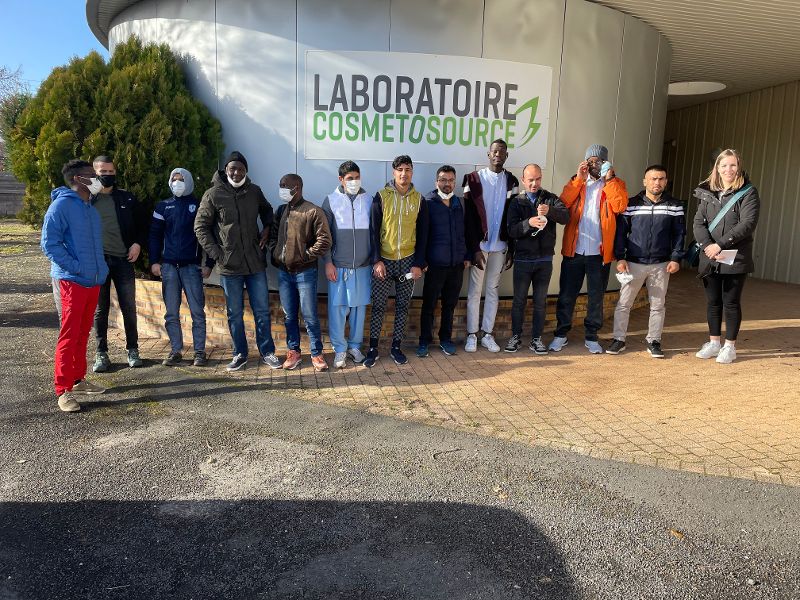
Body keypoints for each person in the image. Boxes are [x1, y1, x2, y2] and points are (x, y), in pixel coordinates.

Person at [194, 151, 281, 371]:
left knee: (262, 311)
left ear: (246, 171)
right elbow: (200, 227)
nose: (236, 172)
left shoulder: (254, 191)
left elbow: (267, 210)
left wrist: (267, 228)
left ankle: (267, 352)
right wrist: (218, 254)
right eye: (232, 168)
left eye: (241, 169)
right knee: (234, 314)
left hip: (255, 263)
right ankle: (240, 354)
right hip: (229, 266)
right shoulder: (213, 194)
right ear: (226, 170)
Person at [41, 160, 110, 412]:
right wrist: (76, 267)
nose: (97, 179)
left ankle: (78, 379)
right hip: (71, 281)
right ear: (79, 179)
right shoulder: (61, 206)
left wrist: (100, 269)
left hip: (92, 281)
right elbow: (49, 244)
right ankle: (63, 390)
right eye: (92, 175)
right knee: (69, 334)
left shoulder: (89, 208)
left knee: (82, 333)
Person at [549, 144, 628, 354]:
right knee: (567, 295)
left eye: (598, 161)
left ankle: (592, 336)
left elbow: (620, 206)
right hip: (574, 251)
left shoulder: (615, 183)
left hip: (599, 254)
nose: (594, 165)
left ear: (605, 163)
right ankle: (561, 334)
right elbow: (563, 203)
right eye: (590, 161)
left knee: (596, 297)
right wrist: (578, 179)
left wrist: (609, 180)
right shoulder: (577, 182)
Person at [607, 165, 685, 358]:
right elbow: (621, 233)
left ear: (665, 181)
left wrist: (676, 258)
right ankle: (618, 339)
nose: (657, 182)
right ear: (645, 181)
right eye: (653, 179)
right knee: (624, 303)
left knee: (657, 305)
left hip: (661, 264)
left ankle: (654, 341)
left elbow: (679, 234)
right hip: (633, 263)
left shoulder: (674, 206)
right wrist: (620, 257)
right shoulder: (631, 204)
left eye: (661, 179)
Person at [692, 149, 760, 364]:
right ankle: (714, 343)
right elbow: (698, 222)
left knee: (731, 302)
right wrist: (707, 246)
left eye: (733, 165)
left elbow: (747, 223)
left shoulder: (748, 192)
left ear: (739, 167)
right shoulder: (707, 192)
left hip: (735, 257)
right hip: (710, 256)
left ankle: (729, 346)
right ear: (717, 168)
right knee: (713, 302)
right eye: (724, 165)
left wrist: (719, 245)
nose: (728, 169)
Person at [366, 155, 429, 367]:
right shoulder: (381, 196)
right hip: (384, 261)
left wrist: (418, 263)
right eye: (400, 169)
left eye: (408, 169)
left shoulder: (419, 200)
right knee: (378, 306)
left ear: (412, 172)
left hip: (408, 262)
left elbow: (424, 234)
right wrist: (376, 260)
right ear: (393, 172)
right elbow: (373, 230)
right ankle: (373, 348)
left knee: (403, 306)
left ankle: (396, 347)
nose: (404, 174)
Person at [149, 168, 214, 367]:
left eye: (181, 179)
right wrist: (154, 261)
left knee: (197, 312)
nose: (177, 183)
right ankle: (175, 351)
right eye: (174, 179)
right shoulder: (163, 206)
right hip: (169, 268)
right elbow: (155, 235)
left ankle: (199, 352)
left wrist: (209, 264)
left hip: (191, 268)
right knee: (171, 313)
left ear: (189, 182)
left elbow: (209, 235)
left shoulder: (199, 205)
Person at [91, 155, 148, 371]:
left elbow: (144, 225)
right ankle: (101, 353)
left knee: (129, 307)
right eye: (102, 172)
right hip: (98, 263)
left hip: (123, 260)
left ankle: (133, 349)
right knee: (101, 310)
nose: (107, 175)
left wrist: (137, 244)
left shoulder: (127, 198)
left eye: (110, 171)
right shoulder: (87, 200)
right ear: (94, 173)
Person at [270, 173, 332, 371]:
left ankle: (316, 353)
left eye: (284, 185)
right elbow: (273, 236)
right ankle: (293, 351)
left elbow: (325, 240)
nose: (281, 189)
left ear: (296, 187)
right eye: (280, 185)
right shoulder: (281, 211)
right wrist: (275, 253)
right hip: (284, 272)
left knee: (310, 315)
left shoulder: (313, 211)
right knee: (289, 315)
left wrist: (305, 256)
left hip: (305, 272)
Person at [505, 164, 569, 354]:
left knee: (540, 302)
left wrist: (550, 211)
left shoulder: (550, 198)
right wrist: (529, 223)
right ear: (523, 180)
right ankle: (515, 337)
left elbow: (566, 217)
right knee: (519, 301)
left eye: (538, 179)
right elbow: (511, 230)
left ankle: (536, 339)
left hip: (544, 260)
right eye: (530, 180)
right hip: (523, 260)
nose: (534, 183)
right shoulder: (516, 202)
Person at [463, 139, 519, 353]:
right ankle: (472, 334)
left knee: (493, 290)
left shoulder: (512, 181)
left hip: (500, 245)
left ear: (506, 156)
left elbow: (513, 216)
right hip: (480, 246)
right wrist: (474, 248)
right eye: (494, 151)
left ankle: (487, 334)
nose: (497, 155)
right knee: (475, 290)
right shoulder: (473, 179)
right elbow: (468, 217)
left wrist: (511, 249)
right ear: (489, 154)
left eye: (502, 152)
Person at [321, 161, 373, 369]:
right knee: (338, 310)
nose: (354, 181)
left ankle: (354, 347)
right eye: (350, 178)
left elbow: (375, 233)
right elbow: (324, 236)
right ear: (341, 179)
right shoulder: (331, 201)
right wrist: (328, 262)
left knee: (359, 310)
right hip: (339, 266)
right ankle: (340, 349)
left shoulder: (368, 200)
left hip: (363, 266)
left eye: (357, 177)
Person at [417, 165, 469, 358]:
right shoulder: (428, 203)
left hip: (456, 265)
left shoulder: (459, 203)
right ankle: (424, 341)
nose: (447, 183)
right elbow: (421, 234)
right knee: (429, 305)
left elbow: (465, 232)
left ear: (455, 182)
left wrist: (466, 256)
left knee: (449, 305)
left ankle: (445, 339)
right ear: (436, 182)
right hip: (435, 265)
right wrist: (422, 260)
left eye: (450, 180)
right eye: (443, 180)